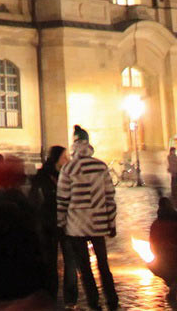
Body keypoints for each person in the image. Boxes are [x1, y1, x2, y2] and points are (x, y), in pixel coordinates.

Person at [57, 131, 119, 310]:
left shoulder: (69, 168)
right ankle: (112, 300)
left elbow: (62, 200)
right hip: (98, 224)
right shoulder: (100, 166)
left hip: (76, 226)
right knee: (103, 265)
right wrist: (111, 223)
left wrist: (61, 223)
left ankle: (94, 302)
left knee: (84, 268)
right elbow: (110, 197)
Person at [30, 144, 78, 309]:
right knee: (50, 261)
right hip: (49, 222)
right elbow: (35, 198)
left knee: (70, 261)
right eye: (64, 157)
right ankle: (50, 295)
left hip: (66, 223)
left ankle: (70, 299)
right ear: (57, 159)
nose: (67, 160)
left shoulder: (70, 175)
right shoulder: (44, 175)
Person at [148, 196, 177, 304]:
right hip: (176, 258)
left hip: (160, 260)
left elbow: (152, 245)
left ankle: (172, 283)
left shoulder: (155, 224)